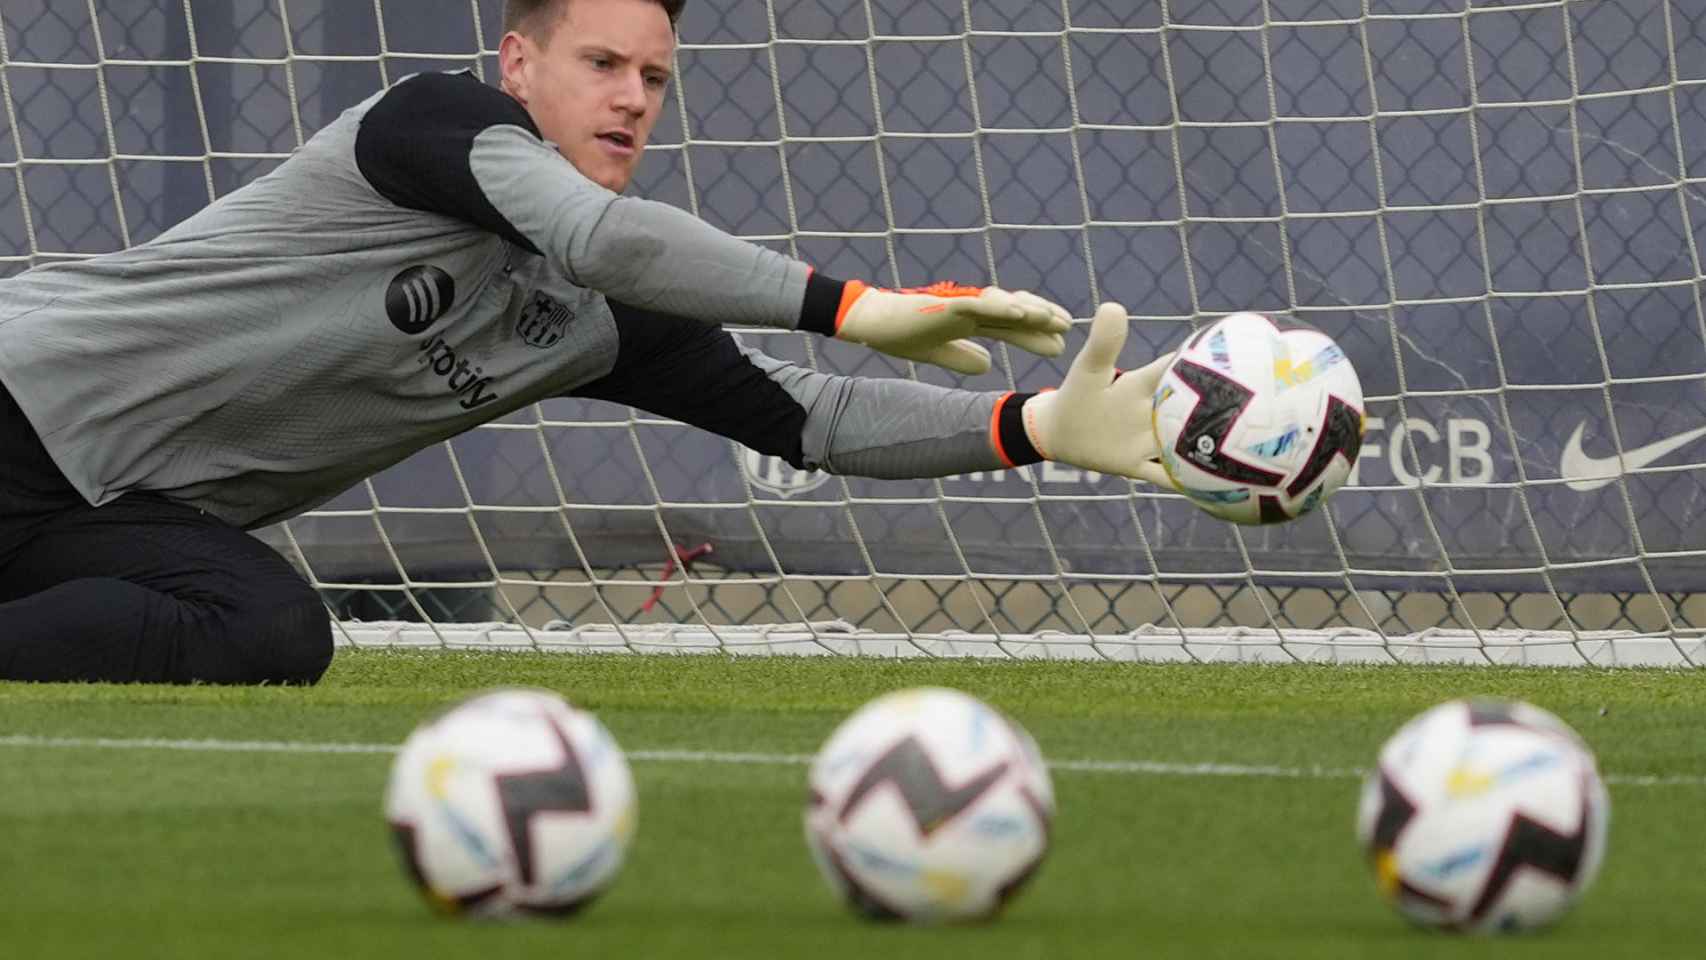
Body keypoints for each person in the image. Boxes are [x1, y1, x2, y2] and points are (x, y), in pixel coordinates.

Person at [0, 0, 1171, 685]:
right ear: (519, 64)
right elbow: (599, 234)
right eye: (600, 65)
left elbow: (810, 419)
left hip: (107, 518)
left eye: (653, 79)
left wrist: (1028, 427)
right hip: (20, 395)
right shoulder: (429, 124)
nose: (631, 98)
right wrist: (857, 304)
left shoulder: (606, 321)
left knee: (276, 634)